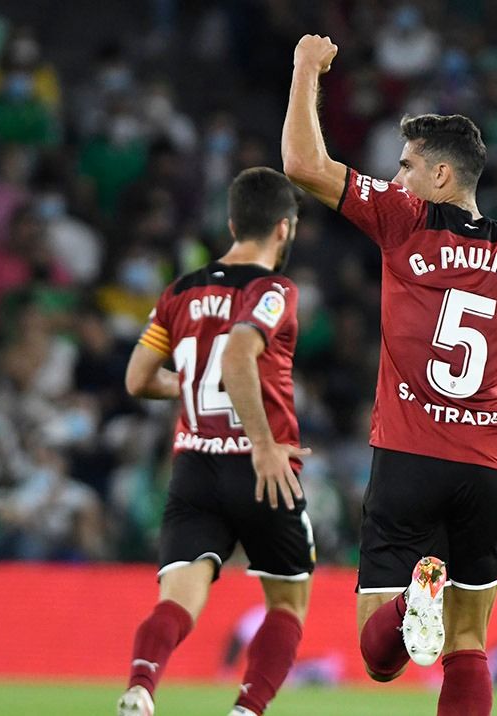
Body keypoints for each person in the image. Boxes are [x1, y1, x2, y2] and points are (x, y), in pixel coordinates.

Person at [282, 34, 497, 716]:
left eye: (408, 165)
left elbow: (302, 162)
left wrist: (305, 68)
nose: (400, 177)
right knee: (468, 644)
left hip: (408, 458)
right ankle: (431, 605)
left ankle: (416, 597)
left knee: (378, 656)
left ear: (442, 177)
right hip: (486, 469)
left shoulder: (404, 218)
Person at [116, 167, 314, 716]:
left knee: (178, 600)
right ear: (284, 228)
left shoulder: (179, 291)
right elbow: (236, 353)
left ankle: (140, 687)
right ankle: (247, 708)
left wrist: (191, 384)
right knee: (288, 603)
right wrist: (264, 444)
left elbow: (137, 379)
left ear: (231, 223)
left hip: (194, 467)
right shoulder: (274, 289)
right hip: (261, 470)